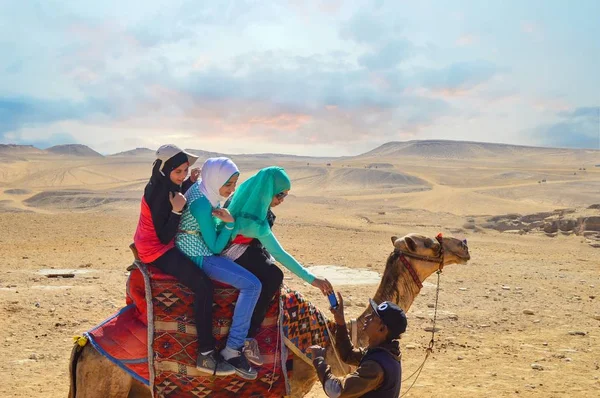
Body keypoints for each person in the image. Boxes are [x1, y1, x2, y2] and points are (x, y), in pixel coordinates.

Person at [133, 144, 234, 377]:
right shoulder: (159, 194)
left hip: (160, 243)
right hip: (156, 250)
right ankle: (206, 354)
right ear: (164, 169)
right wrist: (178, 211)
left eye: (185, 171)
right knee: (204, 286)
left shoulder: (164, 185)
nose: (182, 177)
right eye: (178, 172)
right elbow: (164, 236)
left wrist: (188, 184)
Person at [176, 157, 262, 380]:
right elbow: (214, 247)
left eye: (234, 184)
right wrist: (230, 224)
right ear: (216, 180)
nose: (231, 190)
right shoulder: (203, 204)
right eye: (228, 185)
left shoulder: (203, 189)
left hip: (196, 244)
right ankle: (232, 349)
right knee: (253, 285)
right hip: (199, 253)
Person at [224, 166, 334, 334]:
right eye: (280, 194)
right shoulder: (255, 222)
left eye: (285, 195)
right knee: (274, 276)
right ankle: (249, 334)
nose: (282, 199)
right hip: (232, 252)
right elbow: (279, 253)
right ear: (268, 190)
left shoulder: (244, 196)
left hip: (230, 246)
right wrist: (312, 279)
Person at [310, 294, 407, 398]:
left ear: (382, 329)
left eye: (373, 317)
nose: (367, 317)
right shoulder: (383, 352)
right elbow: (348, 354)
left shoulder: (376, 366)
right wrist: (341, 322)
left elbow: (336, 390)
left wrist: (319, 361)